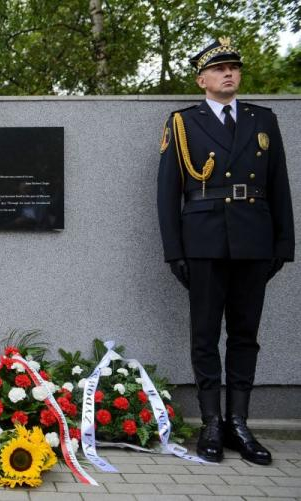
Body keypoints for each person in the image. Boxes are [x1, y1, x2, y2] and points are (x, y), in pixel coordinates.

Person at [157, 38, 294, 465]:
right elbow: (167, 192)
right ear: (202, 79)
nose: (229, 74)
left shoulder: (263, 119)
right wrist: (173, 250)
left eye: (234, 67)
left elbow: (279, 185)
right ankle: (211, 424)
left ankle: (240, 423)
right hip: (203, 239)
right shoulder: (184, 122)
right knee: (204, 335)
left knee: (244, 335)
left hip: (254, 238)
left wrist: (283, 245)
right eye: (219, 69)